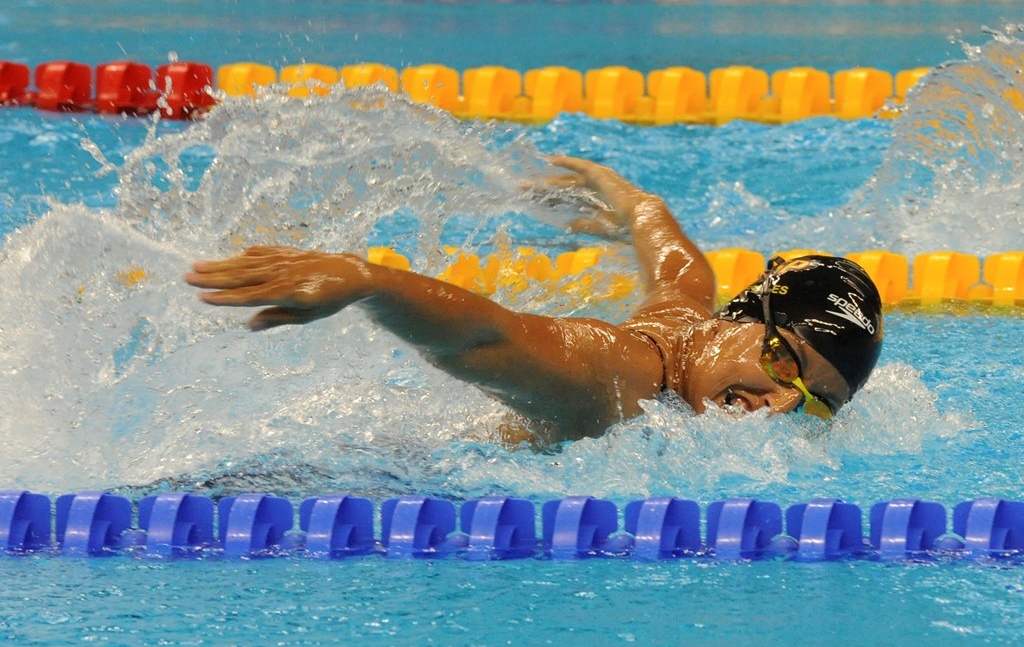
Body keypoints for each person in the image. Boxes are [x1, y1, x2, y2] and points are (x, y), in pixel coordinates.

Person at [186, 156, 883, 444]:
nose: (784, 403)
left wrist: (636, 205)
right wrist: (367, 281)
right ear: (743, 318)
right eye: (786, 362)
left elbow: (678, 271)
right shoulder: (625, 376)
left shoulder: (688, 328)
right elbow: (490, 340)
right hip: (378, 483)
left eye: (817, 399)